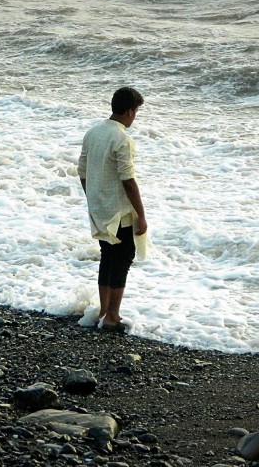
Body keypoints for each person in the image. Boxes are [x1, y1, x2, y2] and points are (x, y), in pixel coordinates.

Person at [77, 87, 148, 333]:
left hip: (98, 207)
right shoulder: (122, 138)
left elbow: (82, 172)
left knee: (107, 257)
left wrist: (93, 199)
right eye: (136, 111)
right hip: (119, 212)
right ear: (129, 111)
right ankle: (112, 317)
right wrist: (141, 214)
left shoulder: (93, 133)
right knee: (123, 258)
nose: (135, 116)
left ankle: (105, 311)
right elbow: (128, 180)